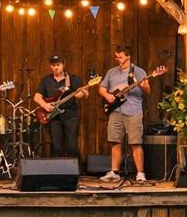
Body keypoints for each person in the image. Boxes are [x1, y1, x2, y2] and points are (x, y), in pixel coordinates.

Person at [97, 45, 152, 183]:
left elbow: (148, 90)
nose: (118, 59)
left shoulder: (138, 72)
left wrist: (141, 84)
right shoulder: (111, 72)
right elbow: (102, 88)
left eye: (120, 56)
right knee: (115, 141)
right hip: (115, 111)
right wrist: (107, 95)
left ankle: (140, 173)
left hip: (133, 110)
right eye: (116, 56)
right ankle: (114, 172)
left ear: (128, 56)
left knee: (135, 142)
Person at [33, 55, 89, 160]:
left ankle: (76, 171)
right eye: (53, 65)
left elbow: (84, 95)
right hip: (54, 117)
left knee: (72, 146)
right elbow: (37, 97)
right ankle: (58, 172)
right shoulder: (46, 80)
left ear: (63, 65)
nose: (56, 67)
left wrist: (82, 94)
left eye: (58, 65)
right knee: (56, 146)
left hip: (70, 116)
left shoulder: (73, 79)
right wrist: (45, 105)